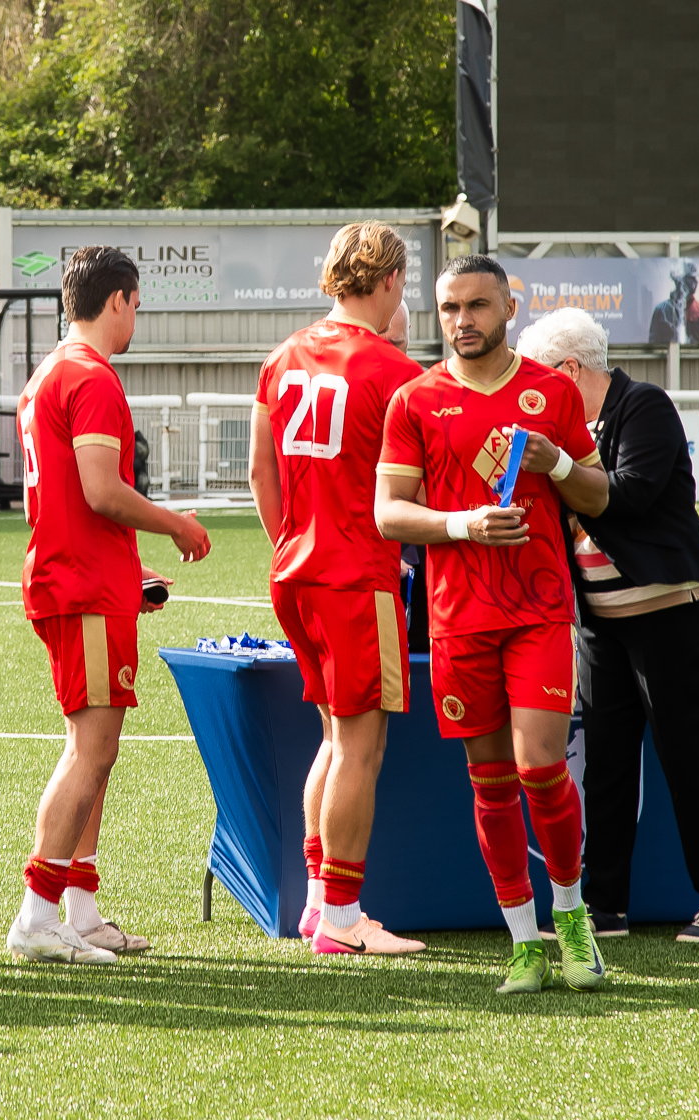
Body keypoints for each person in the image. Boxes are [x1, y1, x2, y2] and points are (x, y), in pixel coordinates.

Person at [375, 254, 612, 995]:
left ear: (509, 307)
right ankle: (522, 942)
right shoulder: (414, 400)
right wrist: (463, 524)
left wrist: (558, 465)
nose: (462, 321)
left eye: (477, 306)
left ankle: (571, 918)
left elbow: (599, 497)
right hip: (458, 616)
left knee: (540, 766)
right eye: (449, 308)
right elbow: (388, 513)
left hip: (538, 608)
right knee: (490, 782)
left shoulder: (551, 392)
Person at [515, 306, 699, 942]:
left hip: (673, 609)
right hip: (602, 620)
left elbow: (631, 492)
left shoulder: (643, 404)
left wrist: (557, 467)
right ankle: (605, 905)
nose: (528, 392)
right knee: (607, 764)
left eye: (536, 375)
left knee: (688, 755)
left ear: (568, 371)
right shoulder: (565, 431)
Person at [8, 246, 211, 965]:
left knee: (94, 752)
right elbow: (100, 489)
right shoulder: (90, 376)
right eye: (136, 306)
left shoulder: (48, 374)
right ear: (118, 300)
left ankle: (80, 912)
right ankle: (37, 916)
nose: (135, 319)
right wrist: (176, 524)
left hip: (77, 577)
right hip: (80, 587)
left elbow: (60, 501)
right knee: (89, 752)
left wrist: (125, 564)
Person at [247, 221, 429, 956]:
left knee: (333, 737)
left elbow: (259, 472)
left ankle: (320, 902)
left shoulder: (281, 355)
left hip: (295, 570)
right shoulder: (394, 370)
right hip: (356, 575)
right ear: (390, 281)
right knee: (360, 745)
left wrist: (291, 544)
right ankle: (343, 916)